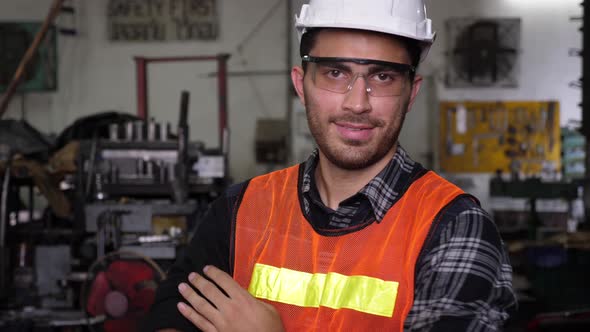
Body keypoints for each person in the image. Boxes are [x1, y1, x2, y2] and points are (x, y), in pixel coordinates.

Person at [146, 0, 517, 330]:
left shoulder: (454, 227)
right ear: (300, 83)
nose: (357, 103)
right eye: (335, 73)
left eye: (382, 76)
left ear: (411, 93)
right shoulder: (240, 210)